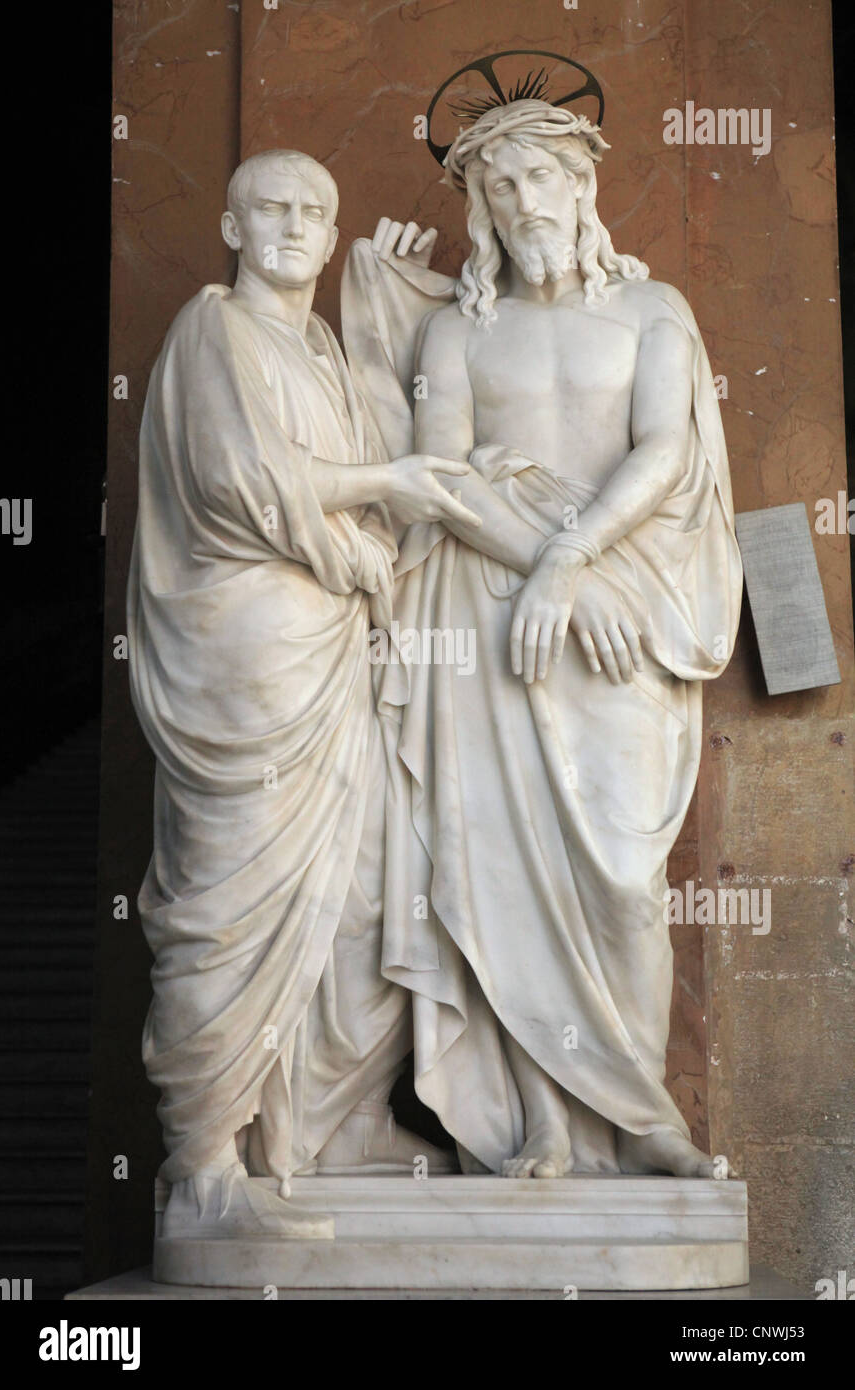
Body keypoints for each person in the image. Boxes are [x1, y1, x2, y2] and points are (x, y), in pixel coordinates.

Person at [341, 101, 743, 1179]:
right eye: (500, 186)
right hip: (485, 616)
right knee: (502, 870)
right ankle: (547, 1128)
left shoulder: (653, 309)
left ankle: (643, 1112)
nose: (524, 203)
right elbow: (442, 479)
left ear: (581, 187)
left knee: (618, 877)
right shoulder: (456, 330)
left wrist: (574, 566)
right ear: (479, 205)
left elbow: (663, 448)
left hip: (620, 605)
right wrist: (540, 567)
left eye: (541, 179)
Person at [128, 149, 473, 1240]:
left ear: (330, 239)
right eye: (269, 206)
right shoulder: (210, 328)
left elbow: (398, 454)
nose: (292, 224)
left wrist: (386, 300)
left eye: (314, 212)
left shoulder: (319, 342)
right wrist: (372, 497)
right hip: (240, 661)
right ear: (231, 226)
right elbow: (242, 478)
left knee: (364, 890)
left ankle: (331, 1119)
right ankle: (205, 1165)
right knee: (231, 910)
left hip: (333, 655)